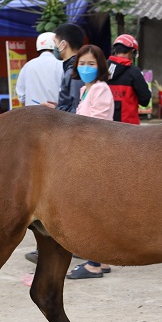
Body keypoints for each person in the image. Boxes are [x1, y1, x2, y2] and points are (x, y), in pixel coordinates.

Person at [27, 23, 85, 264]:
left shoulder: (74, 68)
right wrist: (56, 108)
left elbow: (74, 108)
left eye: (58, 43)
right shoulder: (72, 66)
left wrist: (57, 112)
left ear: (63, 43)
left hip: (70, 137)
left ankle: (74, 242)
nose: (56, 48)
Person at [65, 45, 114, 279]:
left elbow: (96, 124)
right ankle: (101, 260)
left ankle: (94, 262)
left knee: (92, 210)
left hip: (97, 155)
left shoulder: (100, 89)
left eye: (91, 64)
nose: (85, 68)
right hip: (87, 153)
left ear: (100, 67)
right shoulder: (87, 89)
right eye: (82, 63)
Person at [107, 34, 151, 124]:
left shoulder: (103, 69)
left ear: (115, 50)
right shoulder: (134, 72)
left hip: (106, 128)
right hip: (129, 129)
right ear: (133, 52)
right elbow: (145, 100)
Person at [15, 32, 63, 107]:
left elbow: (21, 97)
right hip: (56, 115)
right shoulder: (60, 65)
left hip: (31, 114)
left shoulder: (27, 66)